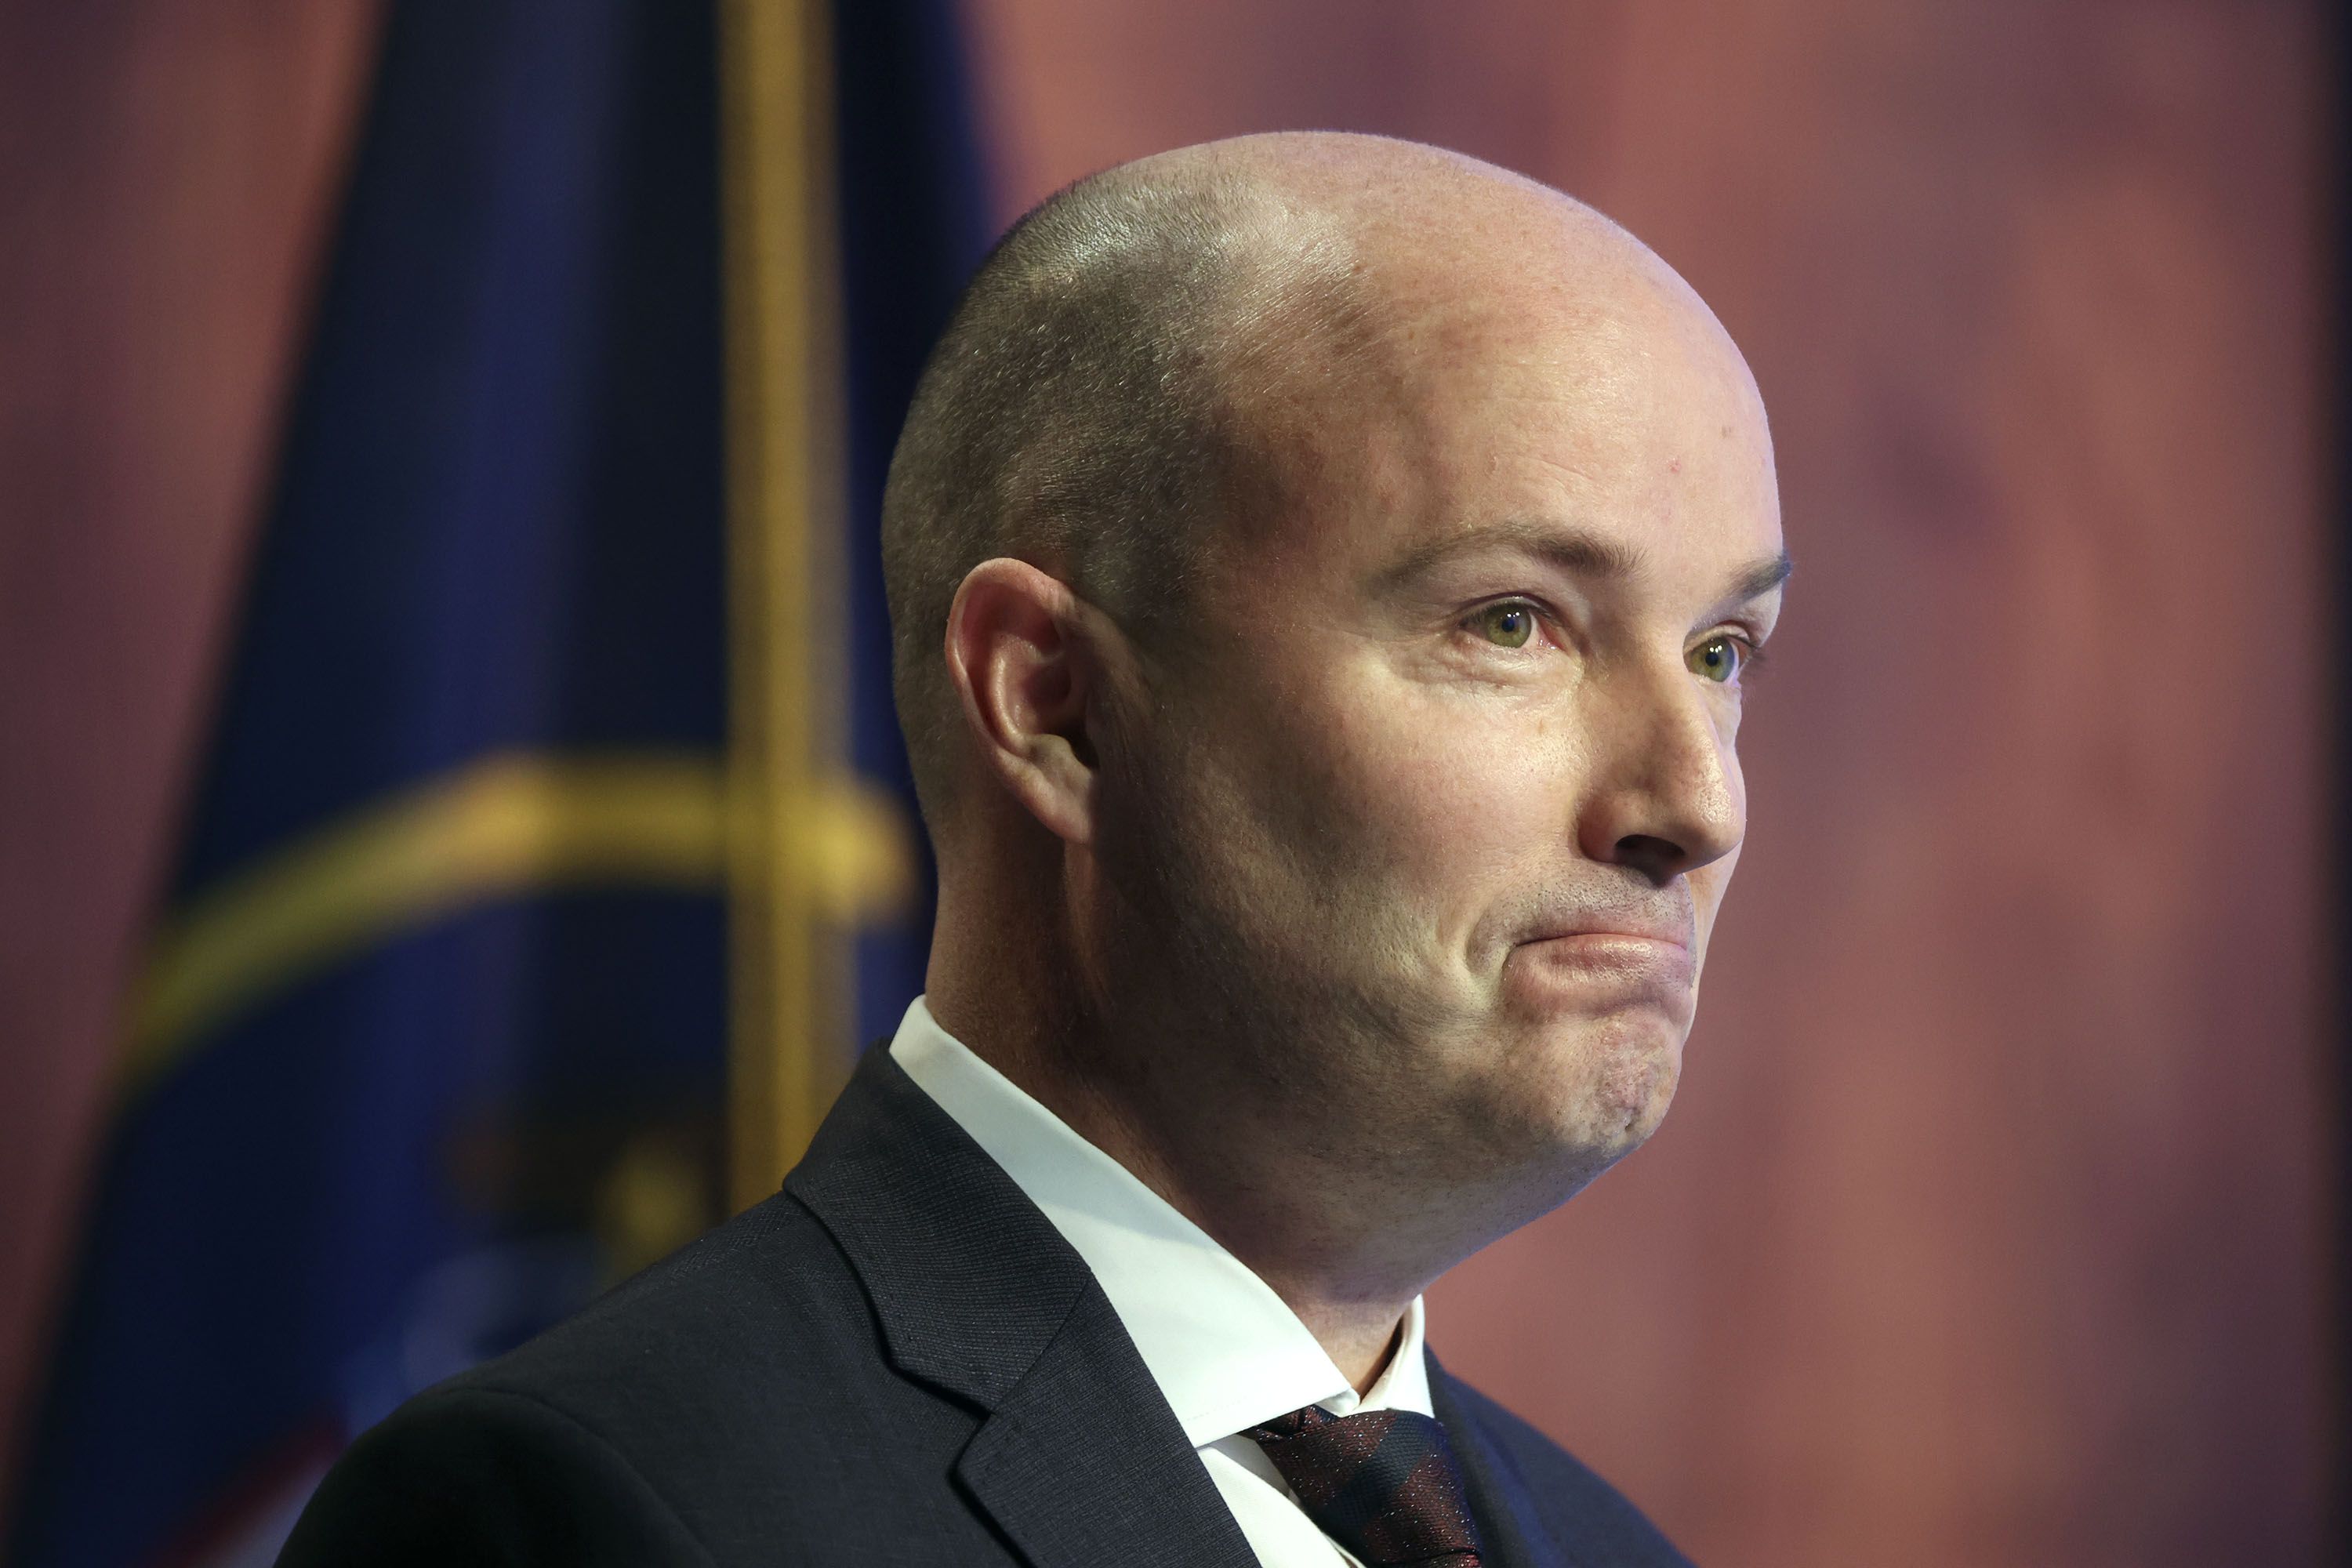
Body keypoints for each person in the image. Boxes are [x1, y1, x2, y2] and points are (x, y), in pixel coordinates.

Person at [280, 129, 1788, 1567]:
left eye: (1721, 651)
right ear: (1053, 703)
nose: (1697, 803)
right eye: (1513, 623)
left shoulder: (1613, 1553)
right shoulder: (591, 1514)